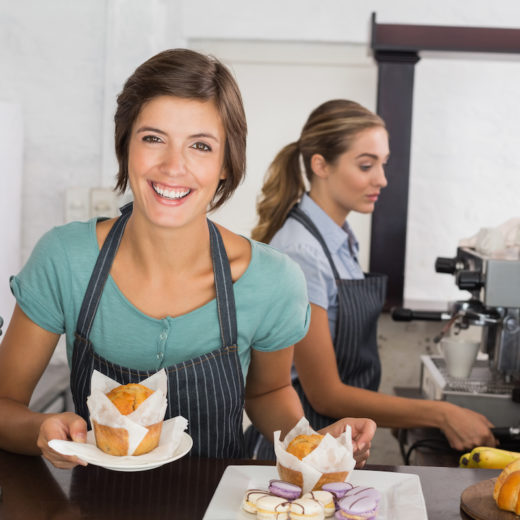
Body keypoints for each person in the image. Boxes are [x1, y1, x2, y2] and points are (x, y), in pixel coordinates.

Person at [0, 50, 376, 469]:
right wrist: (40, 430)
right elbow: (4, 407)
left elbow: (267, 394)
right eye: (153, 138)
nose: (173, 166)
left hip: (220, 507)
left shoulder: (273, 280)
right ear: (126, 147)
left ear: (225, 166)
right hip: (92, 505)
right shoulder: (65, 260)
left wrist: (311, 441)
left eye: (200, 146)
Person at [247, 99, 496, 459]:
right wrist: (441, 414)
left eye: (383, 164)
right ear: (321, 165)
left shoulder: (340, 238)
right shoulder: (302, 251)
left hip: (336, 442)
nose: (382, 179)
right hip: (303, 443)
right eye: (366, 165)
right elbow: (325, 393)